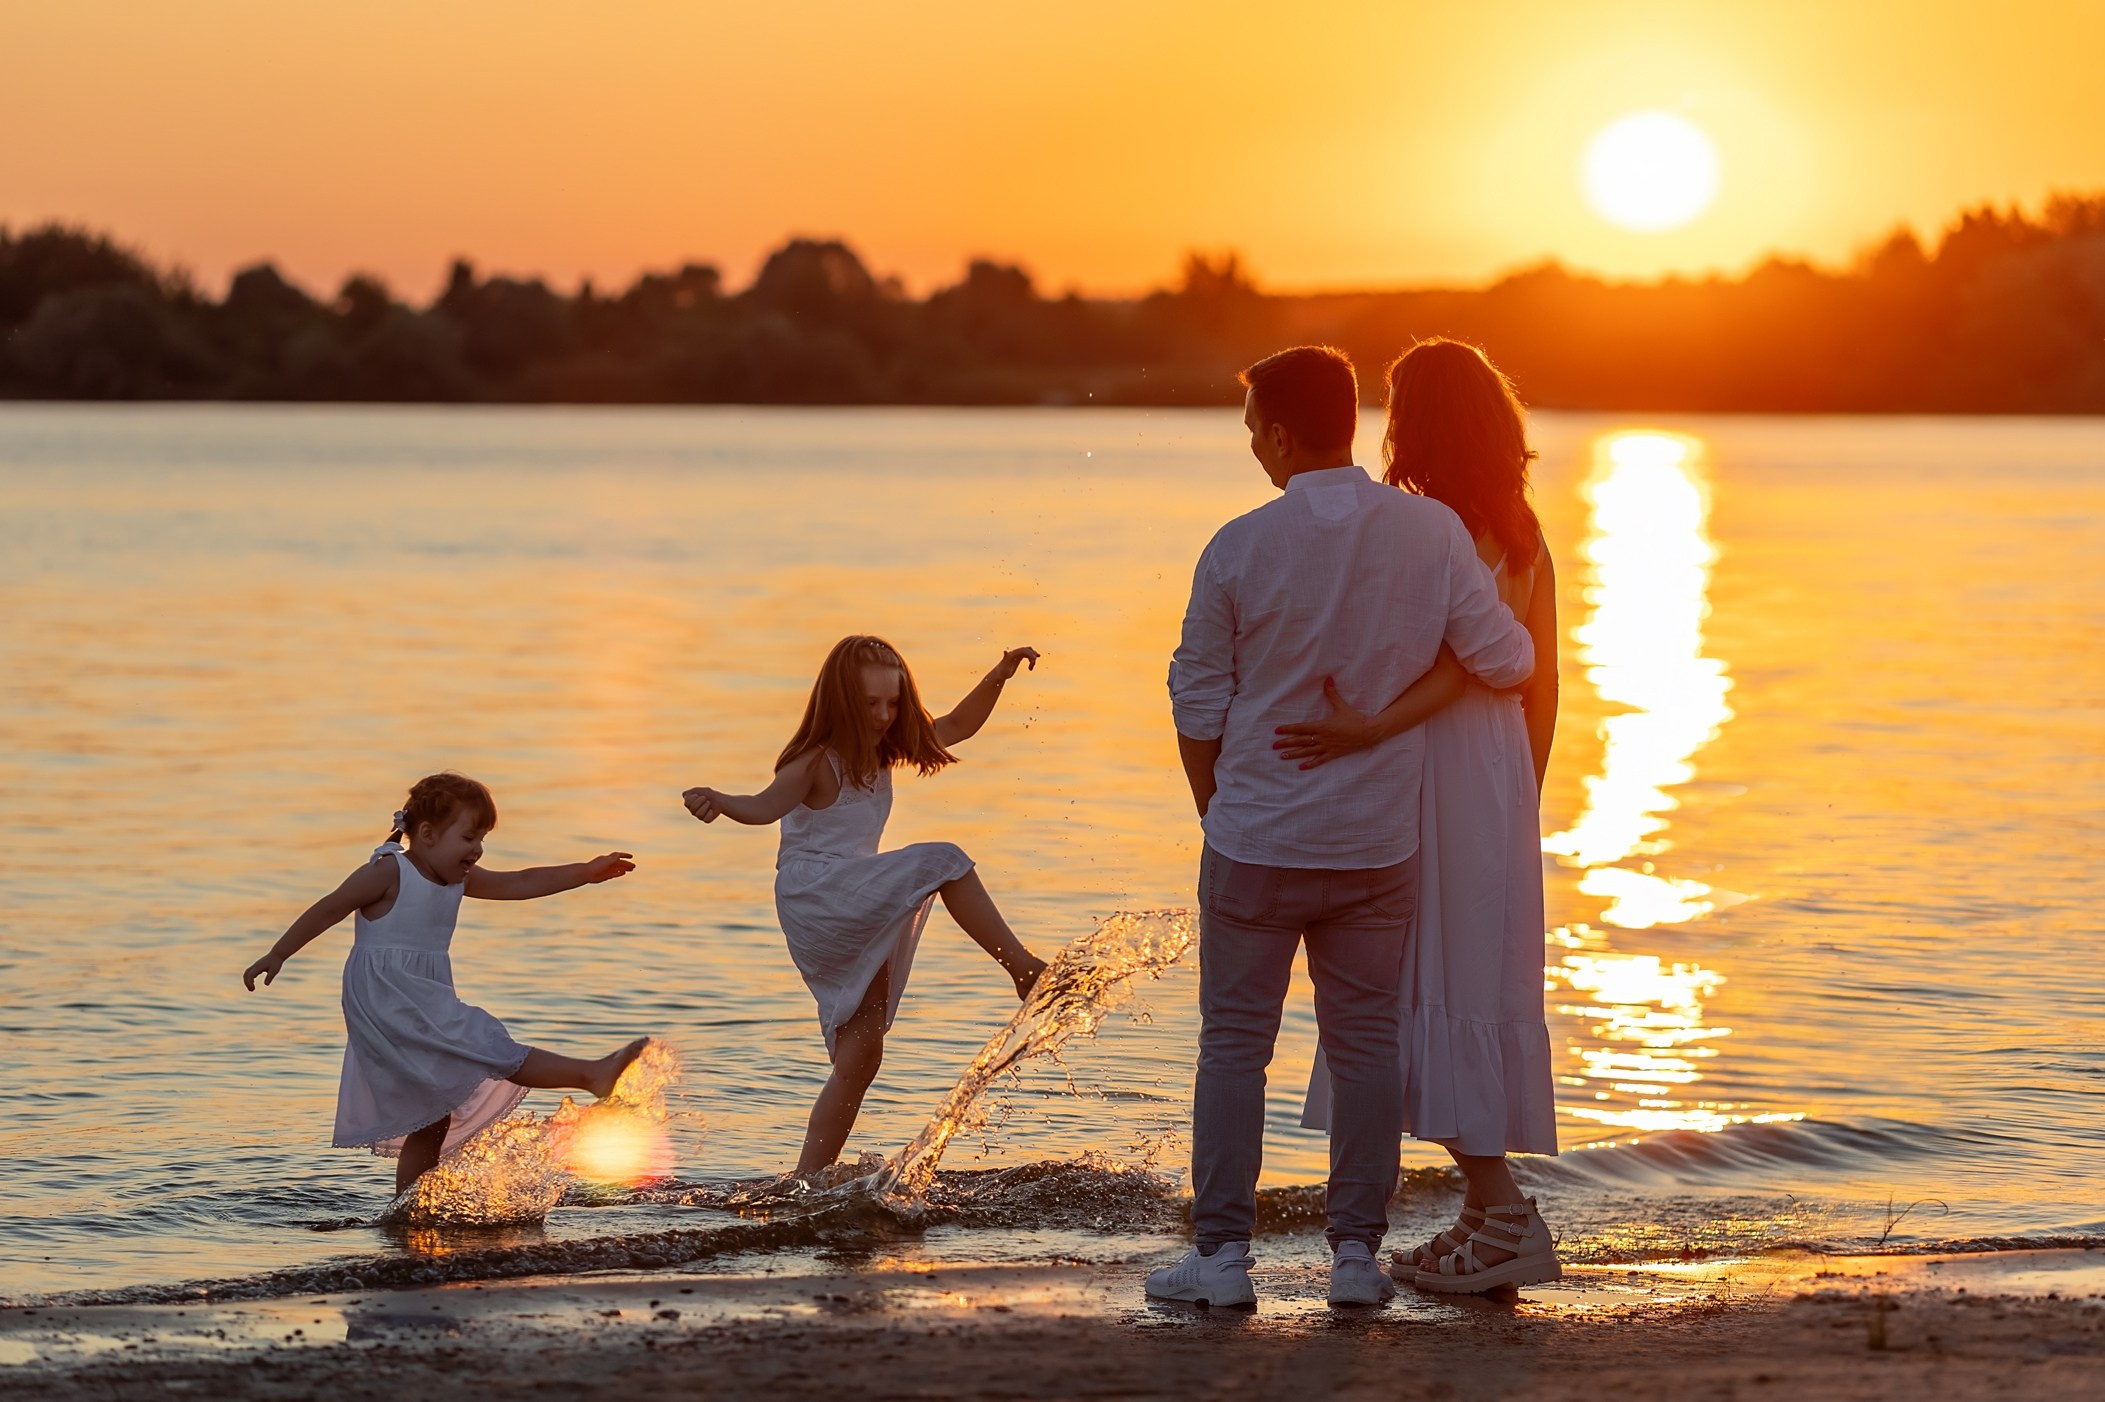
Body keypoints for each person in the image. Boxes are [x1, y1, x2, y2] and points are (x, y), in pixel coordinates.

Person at [1148, 346, 1536, 1309]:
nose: (1251, 448)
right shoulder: (1431, 531)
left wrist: (1213, 805)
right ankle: (1355, 1260)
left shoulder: (1237, 545)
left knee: (1233, 1047)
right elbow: (1506, 658)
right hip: (1375, 844)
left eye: (1252, 431)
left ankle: (1222, 1262)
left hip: (1253, 837)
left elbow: (1196, 698)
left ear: (1282, 435)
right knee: (1366, 1047)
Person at [1289, 338, 1563, 1294]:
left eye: (1398, 406)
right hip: (1496, 774)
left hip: (1435, 763)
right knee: (1465, 985)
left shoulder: (1426, 525)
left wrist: (1364, 730)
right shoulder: (1522, 532)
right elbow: (1543, 687)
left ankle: (1507, 1214)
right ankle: (1483, 1222)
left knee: (1411, 982)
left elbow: (1447, 662)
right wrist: (1517, 804)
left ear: (1421, 423)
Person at [682, 635, 1048, 1176]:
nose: (883, 716)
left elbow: (957, 724)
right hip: (818, 892)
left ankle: (807, 1181)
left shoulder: (885, 749)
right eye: (870, 704)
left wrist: (999, 675)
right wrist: (719, 799)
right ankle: (1023, 969)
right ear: (840, 703)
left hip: (852, 891)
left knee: (862, 1055)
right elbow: (764, 805)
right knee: (944, 859)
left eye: (893, 703)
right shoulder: (814, 760)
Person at [241, 772, 649, 1195]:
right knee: (485, 1043)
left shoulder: (458, 878)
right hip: (388, 998)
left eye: (482, 839)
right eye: (469, 837)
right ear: (428, 834)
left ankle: (409, 1205)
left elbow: (521, 882)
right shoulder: (389, 872)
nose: (478, 849)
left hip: (425, 996)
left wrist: (585, 872)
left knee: (432, 1114)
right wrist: (278, 953)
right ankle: (591, 1074)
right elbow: (330, 907)